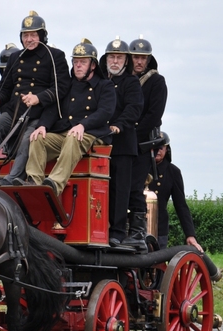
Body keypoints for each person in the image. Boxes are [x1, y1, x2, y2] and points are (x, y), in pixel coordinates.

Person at [0, 11, 70, 187]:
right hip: (14, 111)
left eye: (33, 35)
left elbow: (62, 88)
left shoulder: (55, 56)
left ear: (42, 36)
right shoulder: (15, 57)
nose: (29, 39)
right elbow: (5, 87)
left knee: (30, 138)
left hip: (40, 114)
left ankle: (13, 177)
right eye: (26, 35)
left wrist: (38, 98)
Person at [23, 39, 115, 195]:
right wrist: (43, 126)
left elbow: (105, 112)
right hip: (66, 132)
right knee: (38, 138)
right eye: (75, 61)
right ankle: (34, 182)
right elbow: (54, 107)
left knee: (73, 137)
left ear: (93, 65)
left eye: (83, 62)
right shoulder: (69, 84)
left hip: (91, 133)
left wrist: (83, 125)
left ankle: (54, 184)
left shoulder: (105, 86)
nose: (78, 65)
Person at [123, 35, 169, 250]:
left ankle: (137, 231)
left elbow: (154, 115)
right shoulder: (124, 80)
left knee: (135, 186)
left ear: (149, 59)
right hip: (122, 141)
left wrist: (131, 131)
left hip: (142, 143)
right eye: (135, 58)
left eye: (143, 58)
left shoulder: (157, 82)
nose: (139, 62)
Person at [99, 37, 144, 249]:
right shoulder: (100, 81)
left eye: (119, 57)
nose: (115, 61)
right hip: (99, 144)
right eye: (112, 57)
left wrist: (119, 124)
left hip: (122, 144)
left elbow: (134, 108)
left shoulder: (131, 82)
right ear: (106, 59)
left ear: (126, 61)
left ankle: (117, 232)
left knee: (120, 190)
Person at [150, 134, 203, 252]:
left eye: (161, 148)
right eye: (155, 147)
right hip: (136, 225)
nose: (158, 151)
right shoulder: (139, 168)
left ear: (167, 150)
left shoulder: (173, 172)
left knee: (157, 265)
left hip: (159, 227)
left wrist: (190, 235)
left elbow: (181, 206)